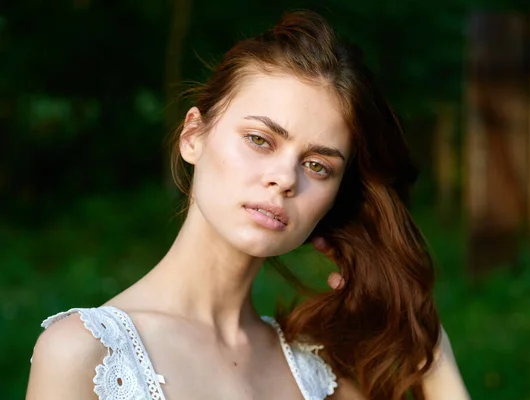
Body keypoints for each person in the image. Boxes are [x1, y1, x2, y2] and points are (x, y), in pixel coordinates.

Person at [26, 10, 469, 400]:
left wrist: (430, 347)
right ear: (193, 136)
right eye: (260, 140)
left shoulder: (321, 372)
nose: (283, 178)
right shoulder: (84, 354)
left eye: (317, 166)